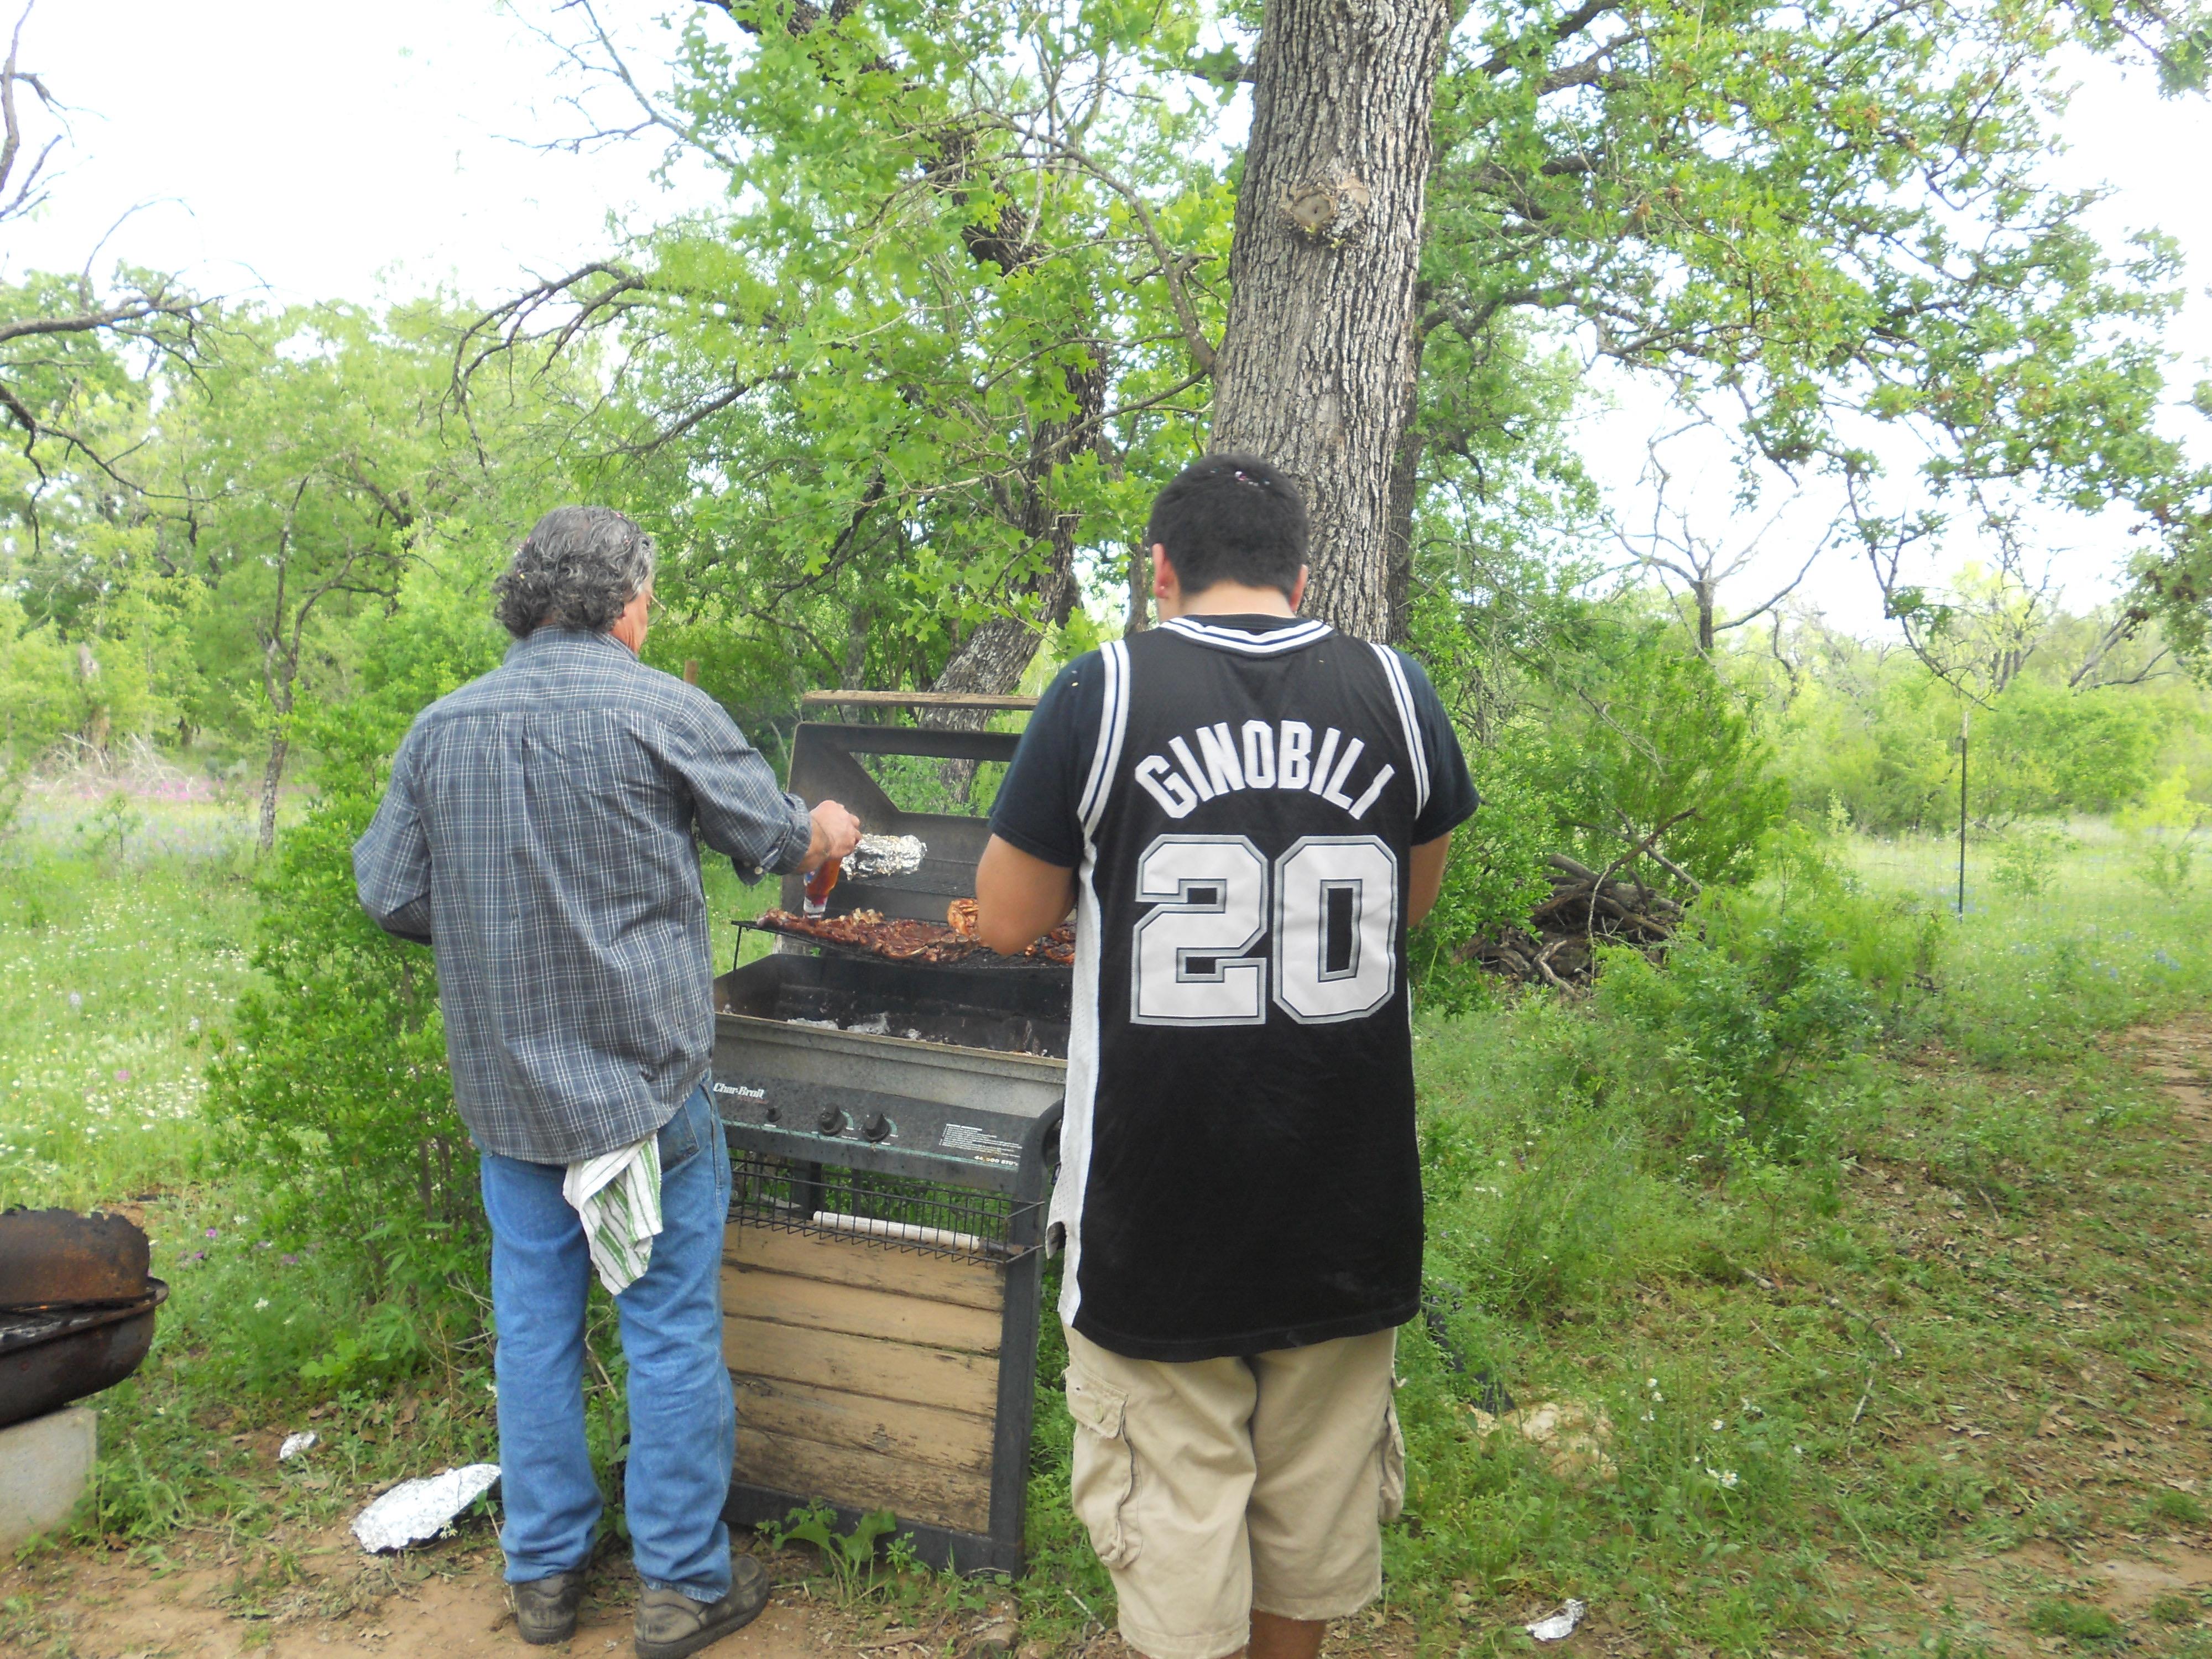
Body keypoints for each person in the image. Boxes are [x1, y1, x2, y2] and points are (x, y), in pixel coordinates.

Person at [973, 455, 1477, 1659]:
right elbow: (1406, 910)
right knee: (1303, 1534)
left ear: (1160, 572)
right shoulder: (1398, 696)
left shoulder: (1098, 694)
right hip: (1343, 1203)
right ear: (1301, 577)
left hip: (1157, 1209)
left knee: (1176, 1539)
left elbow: (1002, 919)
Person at [353, 506, 861, 1659]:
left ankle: (543, 1577)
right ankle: (680, 1588)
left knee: (533, 1334)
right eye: (652, 595)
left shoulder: (444, 727)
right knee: (667, 1328)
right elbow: (779, 839)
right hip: (645, 1093)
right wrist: (825, 821)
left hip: (512, 1107)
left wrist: (493, 927)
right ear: (625, 601)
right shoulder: (659, 707)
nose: (651, 612)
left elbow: (388, 893)